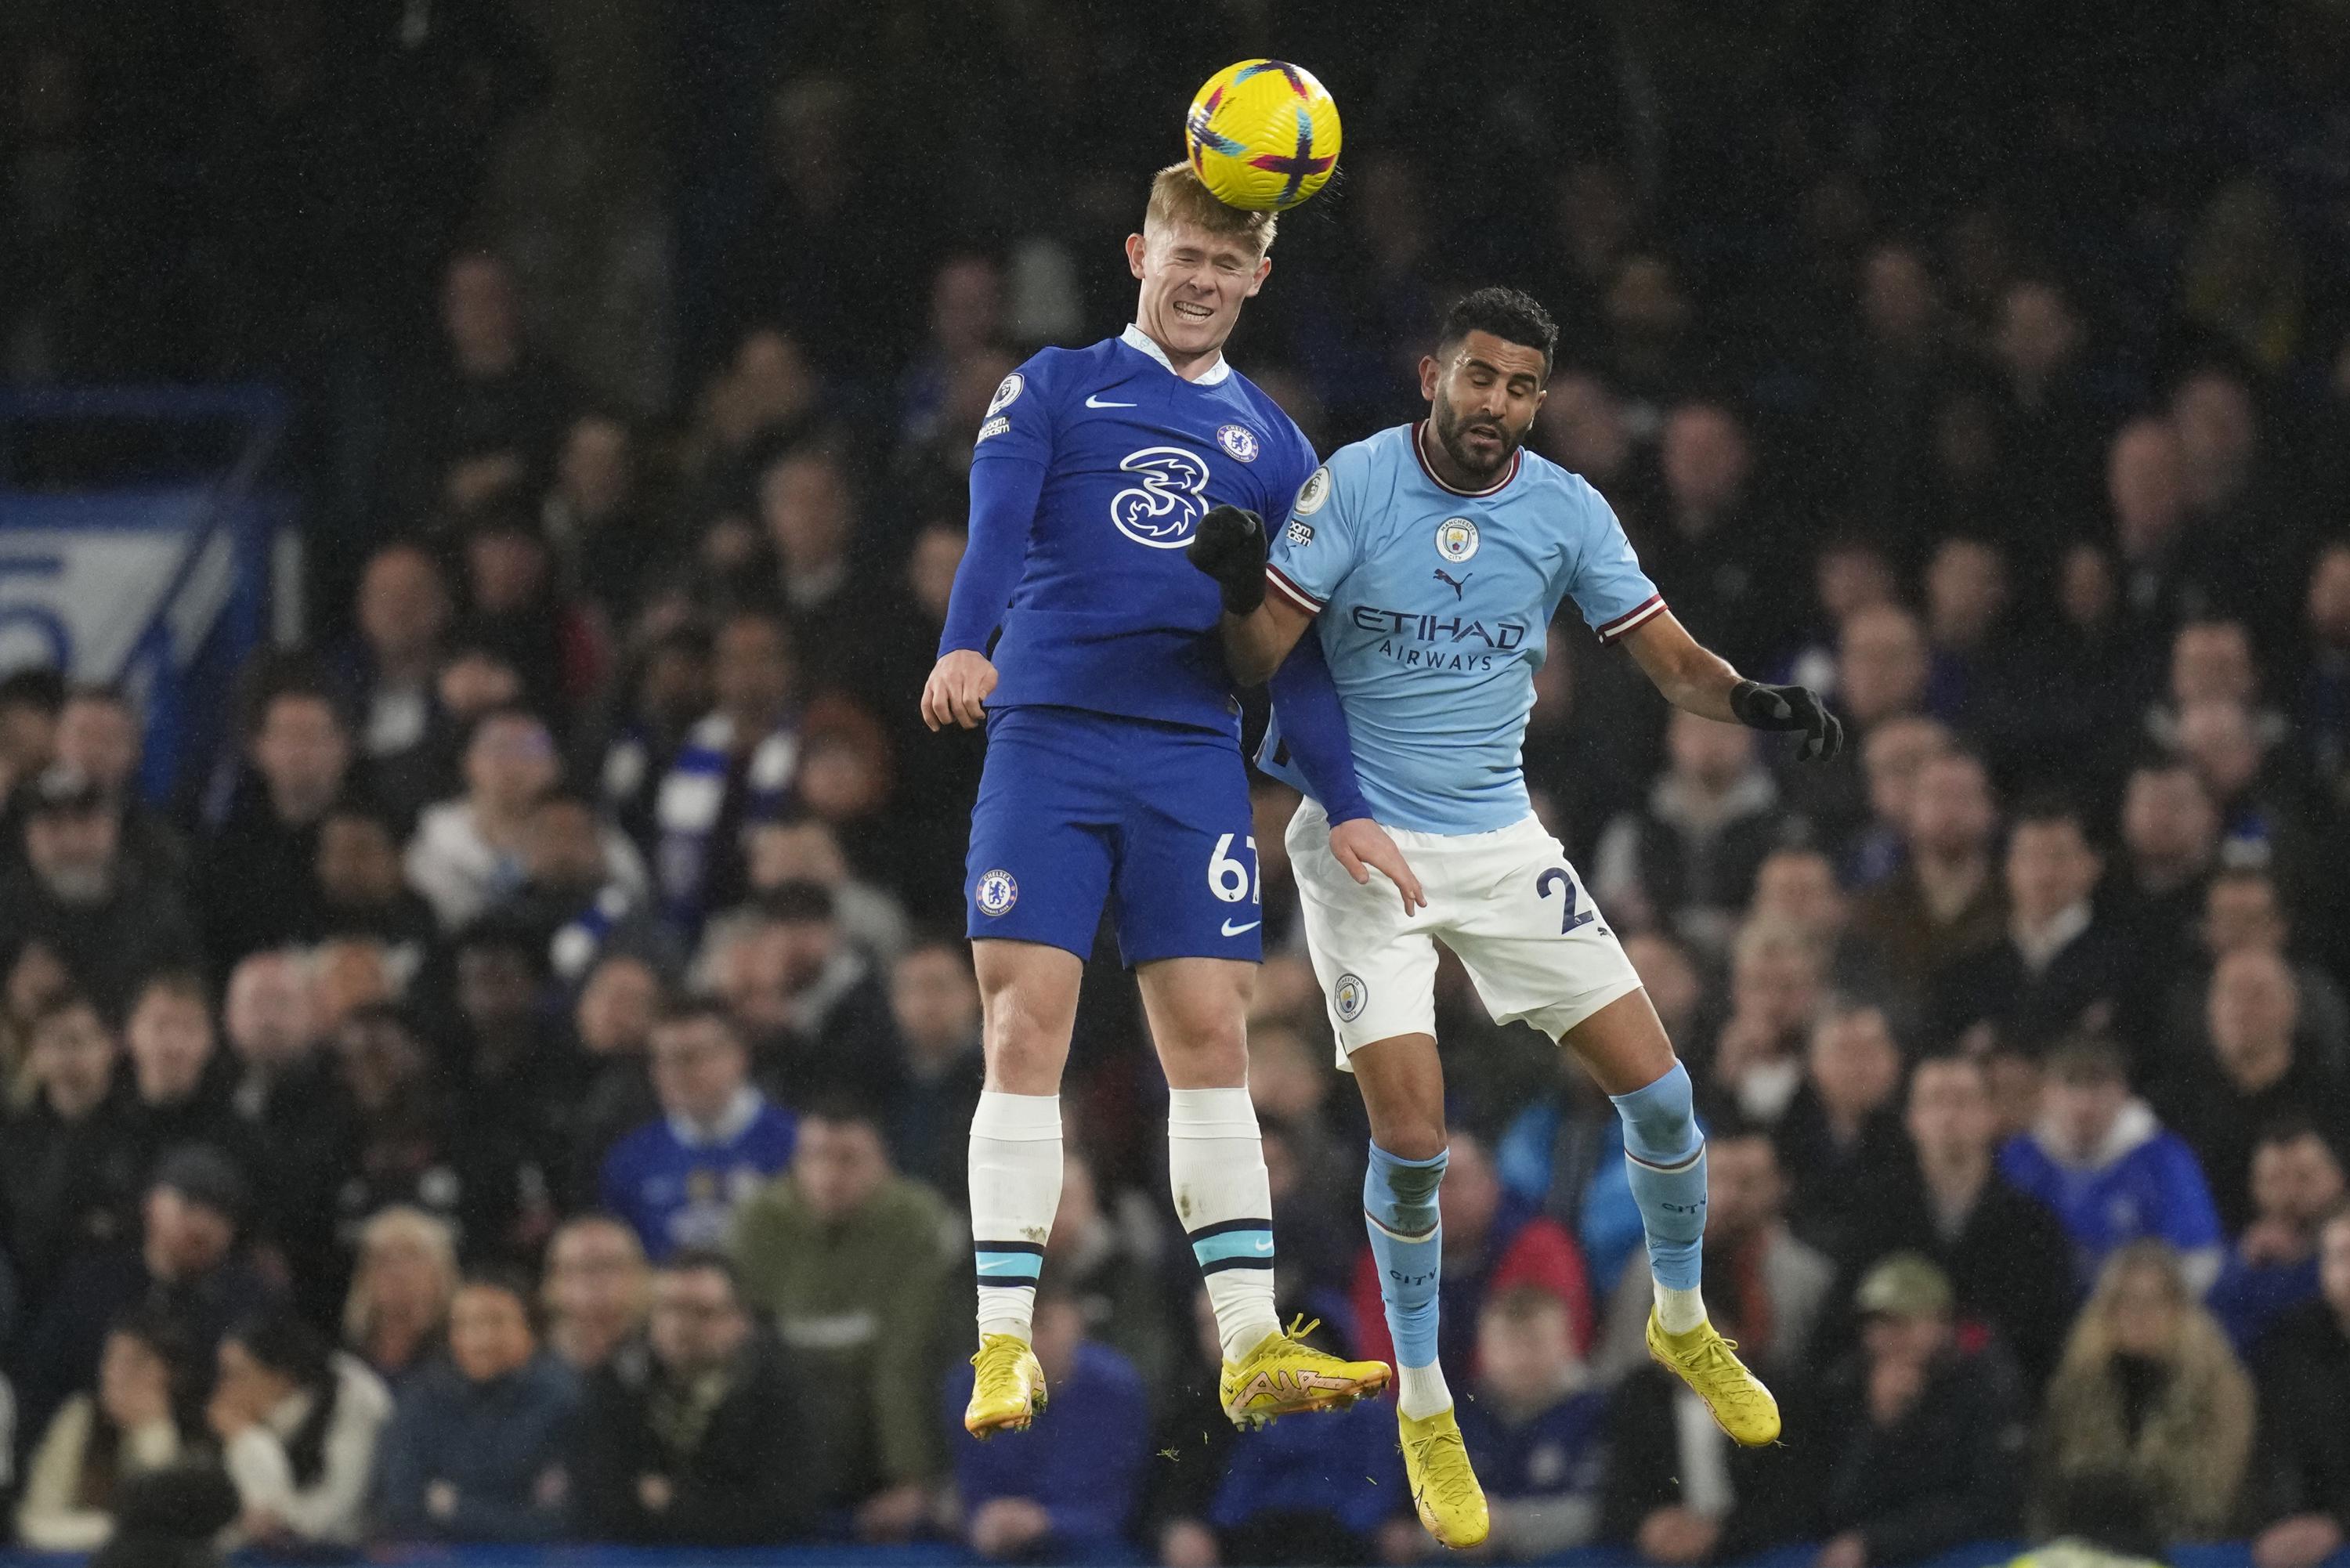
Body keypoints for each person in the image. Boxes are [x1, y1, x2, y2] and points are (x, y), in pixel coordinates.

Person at [1193, 284, 1843, 1544]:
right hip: (1363, 840)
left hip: (1499, 839)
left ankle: (1680, 1317)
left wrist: (1754, 700)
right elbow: (1256, 657)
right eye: (1480, 378)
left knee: (1663, 1097)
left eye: (1523, 387)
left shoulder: (1566, 508)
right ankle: (1427, 1406)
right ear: (1435, 374)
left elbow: (1668, 659)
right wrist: (1234, 589)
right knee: (1421, 1140)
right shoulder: (1354, 486)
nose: (1499, 404)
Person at [923, 162, 1400, 1444]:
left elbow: (1288, 657)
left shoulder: (1279, 446)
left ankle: (1250, 1342)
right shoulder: (1056, 386)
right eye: (1183, 254)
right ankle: (1004, 1343)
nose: (1201, 280)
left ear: (1258, 279)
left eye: (1227, 263)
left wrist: (1346, 803)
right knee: (1026, 1026)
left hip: (1191, 756)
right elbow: (993, 529)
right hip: (1054, 742)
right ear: (1141, 253)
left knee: (1214, 1042)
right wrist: (967, 644)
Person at [728, 1100, 953, 1537]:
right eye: (814, 1158)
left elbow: (903, 1361)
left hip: (876, 1455)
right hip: (778, 1453)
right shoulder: (759, 1220)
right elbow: (747, 1351)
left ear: (883, 1163)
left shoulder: (914, 1222)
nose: (829, 1176)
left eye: (848, 1159)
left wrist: (910, 1480)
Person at [1835, 1053, 2077, 1387]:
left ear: (1990, 1114)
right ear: (1912, 1119)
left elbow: (2048, 1338)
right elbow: (1844, 1326)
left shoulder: (2033, 1224)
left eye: (1963, 1100)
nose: (1949, 1116)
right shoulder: (1873, 1216)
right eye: (1935, 1101)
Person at [17, 1146, 283, 1447]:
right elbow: (42, 1380)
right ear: (152, 1204)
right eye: (190, 1205)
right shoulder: (94, 1283)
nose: (203, 1226)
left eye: (221, 1215)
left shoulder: (247, 1305)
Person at [571, 1249, 808, 1546]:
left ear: (740, 1321)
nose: (681, 1325)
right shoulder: (616, 1378)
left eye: (702, 1312)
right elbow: (596, 1498)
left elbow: (782, 1510)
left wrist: (671, 1501)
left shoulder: (779, 1389)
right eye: (668, 1308)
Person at [1816, 1254, 2029, 1566]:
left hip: (1958, 1547)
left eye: (1904, 1322)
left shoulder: (1984, 1386)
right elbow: (1827, 1504)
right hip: (1861, 1543)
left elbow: (1988, 1503)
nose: (1889, 1337)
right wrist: (1878, 1424)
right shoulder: (1844, 1384)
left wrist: (1877, 1542)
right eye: (1878, 1323)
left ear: (1943, 1324)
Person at [2037, 1241, 2254, 1541]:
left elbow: (2213, 1497)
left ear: (2180, 1308)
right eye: (2126, 1300)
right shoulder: (2077, 1384)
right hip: (2087, 1546)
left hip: (2185, 1549)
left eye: (2156, 1300)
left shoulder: (2218, 1387)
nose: (2139, 1314)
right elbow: (2053, 1487)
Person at [2001, 1035, 2227, 1292]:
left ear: (2122, 1091)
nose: (2085, 1105)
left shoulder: (2162, 1160)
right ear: (2046, 1092)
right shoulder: (2018, 1159)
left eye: (2098, 1087)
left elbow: (2200, 1258)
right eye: (2071, 1084)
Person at [947, 1284, 1150, 1563]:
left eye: (1041, 1325)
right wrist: (985, 1521)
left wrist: (1046, 1522)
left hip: (1089, 1549)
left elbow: (1117, 1508)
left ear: (1076, 1323)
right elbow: (973, 1494)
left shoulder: (1115, 1387)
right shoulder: (970, 1386)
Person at [375, 1270, 580, 1542]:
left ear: (532, 1331)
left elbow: (558, 1521)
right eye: (465, 1324)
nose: (480, 1339)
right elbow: (401, 1506)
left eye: (496, 1322)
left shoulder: (563, 1400)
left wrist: (456, 1508)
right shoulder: (421, 1397)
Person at [599, 1000, 796, 1259]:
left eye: (690, 1057)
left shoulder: (795, 1145)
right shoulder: (630, 1161)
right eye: (663, 1060)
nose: (675, 1074)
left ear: (737, 1056)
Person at [0, 765, 201, 1017]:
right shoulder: (8, 911)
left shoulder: (155, 910)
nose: (72, 841)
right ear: (27, 835)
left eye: (85, 820)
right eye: (53, 824)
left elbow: (190, 998)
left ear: (113, 825)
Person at [14, 1311, 203, 1551]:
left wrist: (151, 1429)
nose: (110, 1374)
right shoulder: (80, 1418)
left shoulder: (195, 1434)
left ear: (162, 1374)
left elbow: (166, 1534)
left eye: (127, 1364)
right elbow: (33, 1522)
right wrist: (112, 1530)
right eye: (109, 1360)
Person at [209, 1306, 393, 1550]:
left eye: (237, 1375)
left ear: (281, 1377)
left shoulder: (351, 1396)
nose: (225, 1390)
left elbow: (338, 1512)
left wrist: (248, 1441)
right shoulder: (252, 1422)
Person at [1455, 1288, 1610, 1561]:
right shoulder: (1457, 1416)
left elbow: (1599, 1512)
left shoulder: (1599, 1412)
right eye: (1507, 1344)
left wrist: (1505, 1526)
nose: (1522, 1358)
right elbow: (1411, 1521)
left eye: (1535, 1342)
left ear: (1567, 1343)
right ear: (1483, 1349)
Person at [2246, 1207, 2350, 1568]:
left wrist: (2339, 1524)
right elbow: (2278, 1447)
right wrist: (2285, 1521)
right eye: (2341, 1256)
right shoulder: (2293, 1340)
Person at [2207, 1121, 2345, 1351]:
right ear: (2254, 1188)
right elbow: (2213, 1338)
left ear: (2339, 1177)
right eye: (2275, 1179)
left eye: (2305, 1176)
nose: (2290, 1194)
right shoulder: (2238, 1259)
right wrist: (2244, 1265)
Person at [340, 1206, 457, 1392]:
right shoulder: (347, 1358)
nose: (397, 1271)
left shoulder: (460, 1354)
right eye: (383, 1258)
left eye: (412, 1256)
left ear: (440, 1274)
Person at [541, 1214, 650, 1375]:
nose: (598, 1281)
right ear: (553, 1282)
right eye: (584, 1268)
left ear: (639, 1274)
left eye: (609, 1266)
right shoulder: (532, 1361)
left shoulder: (662, 1353)